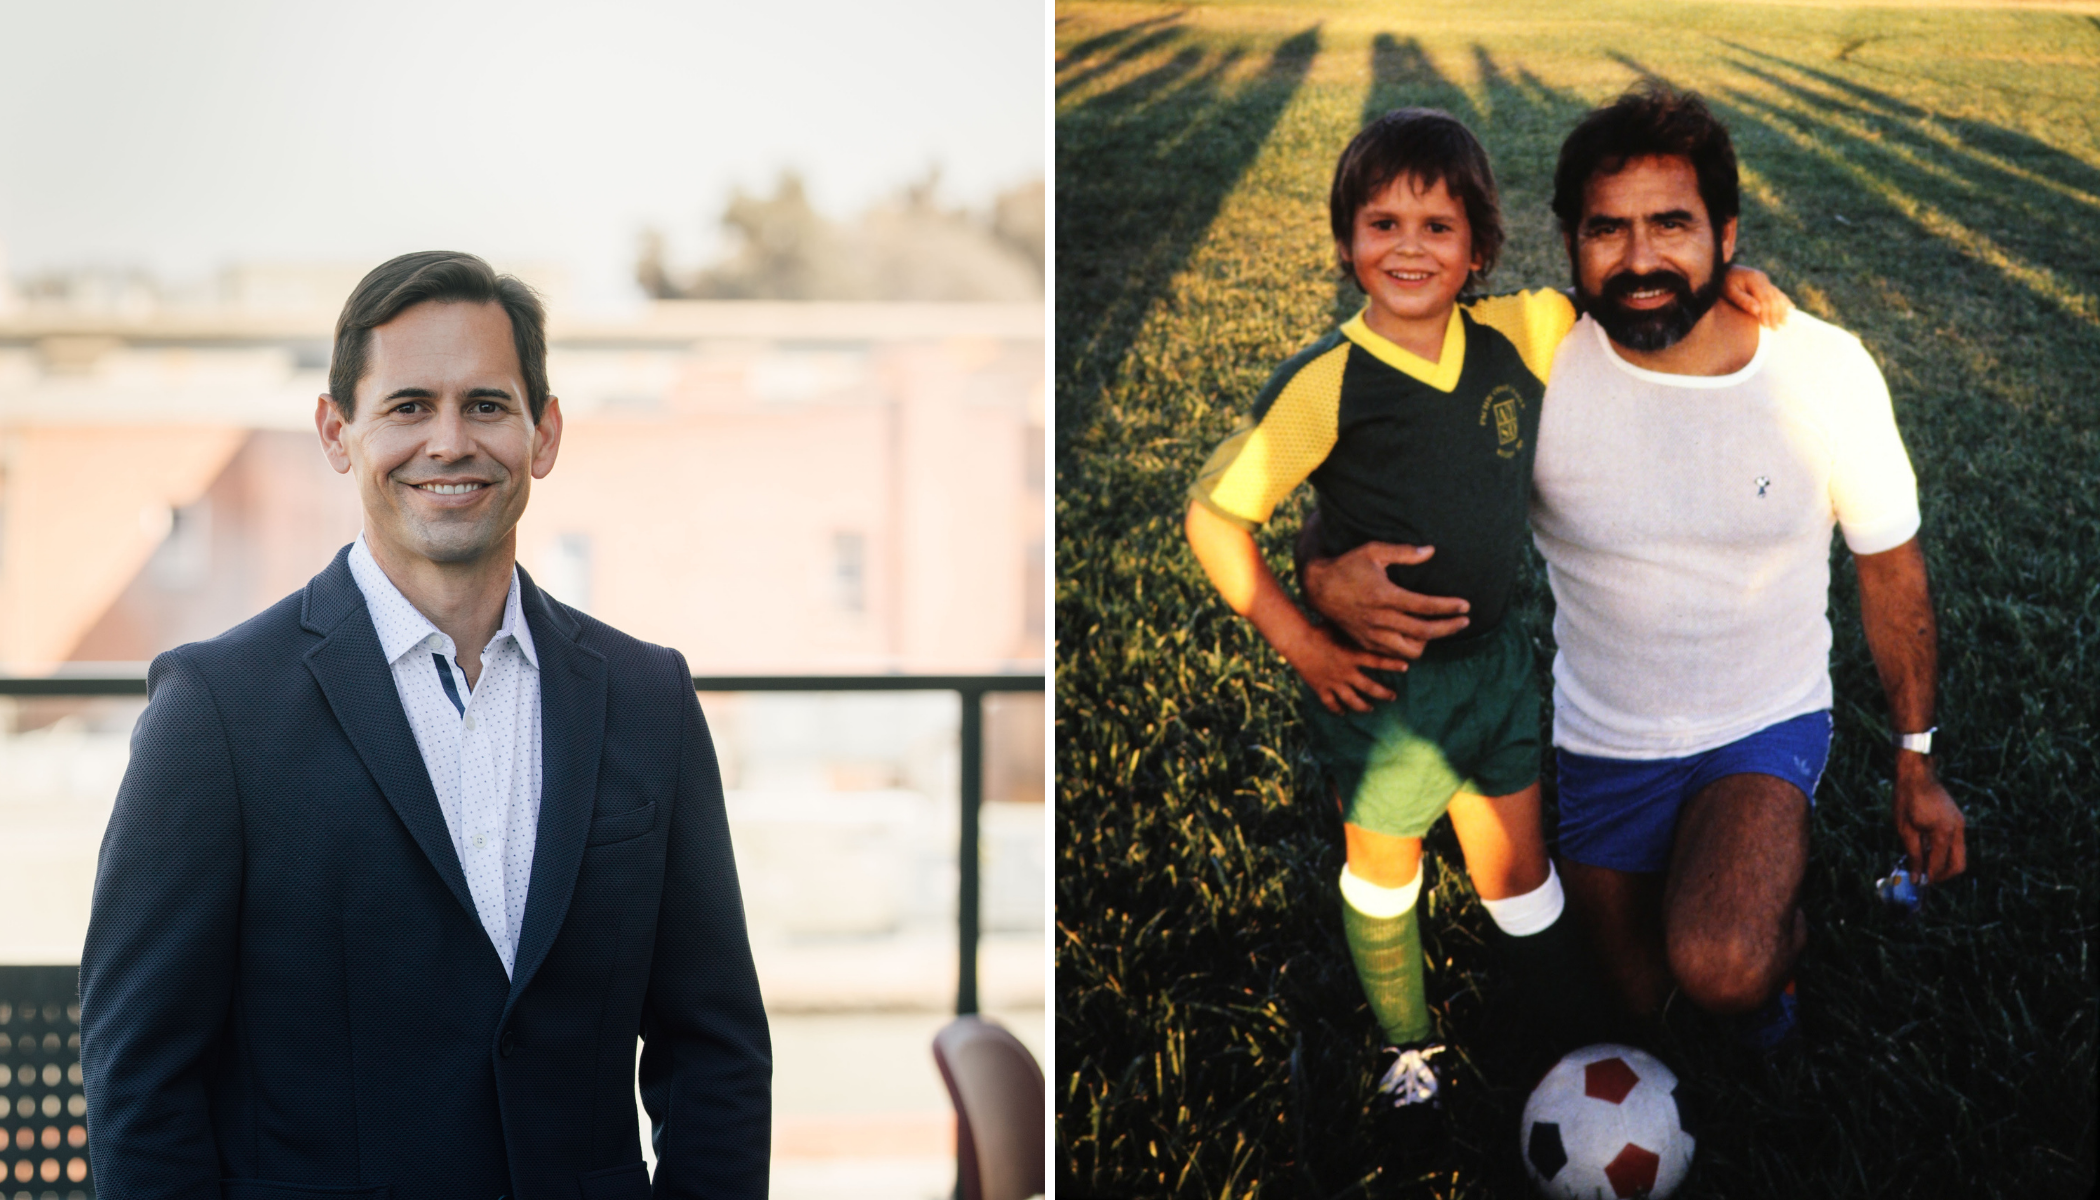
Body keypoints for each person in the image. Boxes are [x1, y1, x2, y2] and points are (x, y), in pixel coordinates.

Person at [78, 251, 770, 1200]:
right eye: (408, 406)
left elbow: (717, 1051)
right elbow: (141, 1087)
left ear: (545, 433)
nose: (449, 442)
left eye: (486, 405)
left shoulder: (650, 700)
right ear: (338, 431)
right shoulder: (215, 711)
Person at [1303, 86, 1967, 1050]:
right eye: (1608, 229)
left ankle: (1774, 934)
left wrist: (1918, 763)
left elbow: (1892, 569)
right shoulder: (1523, 374)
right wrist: (1322, 572)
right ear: (1571, 246)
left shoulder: (1822, 369)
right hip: (1604, 744)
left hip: (1761, 725)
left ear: (1727, 234)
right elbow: (1357, 505)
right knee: (1640, 1007)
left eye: (1673, 225)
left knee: (1723, 969)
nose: (1642, 257)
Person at [1183, 109, 1789, 1116]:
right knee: (1386, 866)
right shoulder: (1326, 385)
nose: (1408, 249)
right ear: (1346, 244)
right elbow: (1216, 517)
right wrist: (1302, 642)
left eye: (1437, 227)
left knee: (1518, 872)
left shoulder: (1522, 332)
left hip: (1499, 669)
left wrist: (1721, 280)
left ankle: (1571, 1045)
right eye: (1382, 225)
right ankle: (1408, 1046)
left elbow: (1626, 294)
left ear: (1478, 250)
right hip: (1387, 688)